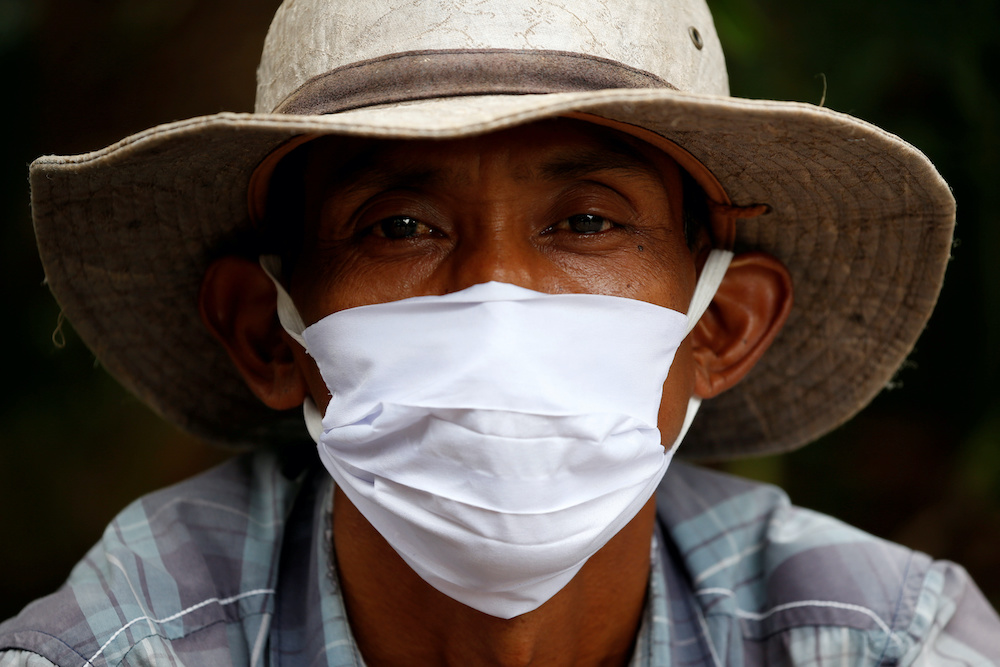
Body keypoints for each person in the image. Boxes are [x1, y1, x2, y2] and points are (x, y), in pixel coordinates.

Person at [2, 0, 998, 665]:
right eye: (399, 226)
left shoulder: (881, 639)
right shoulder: (132, 640)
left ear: (722, 327)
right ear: (270, 333)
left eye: (587, 222)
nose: (496, 298)